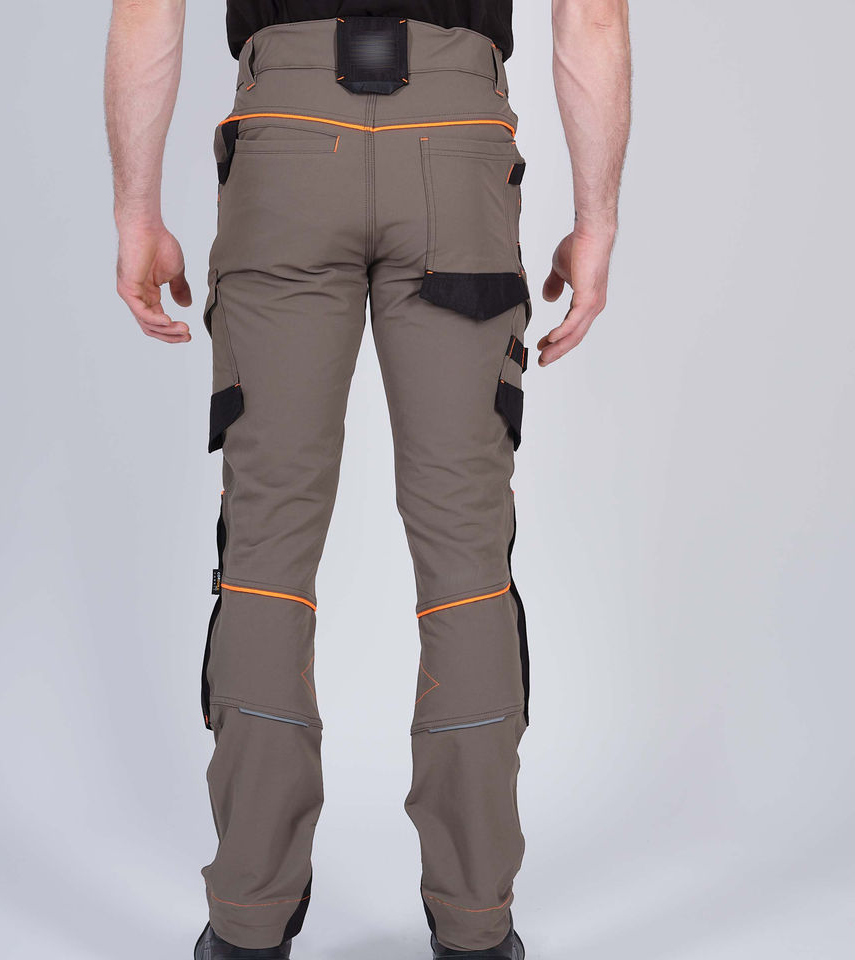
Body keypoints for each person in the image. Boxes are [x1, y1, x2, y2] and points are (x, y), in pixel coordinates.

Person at [104, 3, 631, 958]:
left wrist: (136, 210)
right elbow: (590, 12)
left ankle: (248, 923)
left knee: (266, 551)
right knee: (468, 555)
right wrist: (597, 220)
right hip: (458, 138)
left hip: (285, 140)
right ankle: (475, 927)